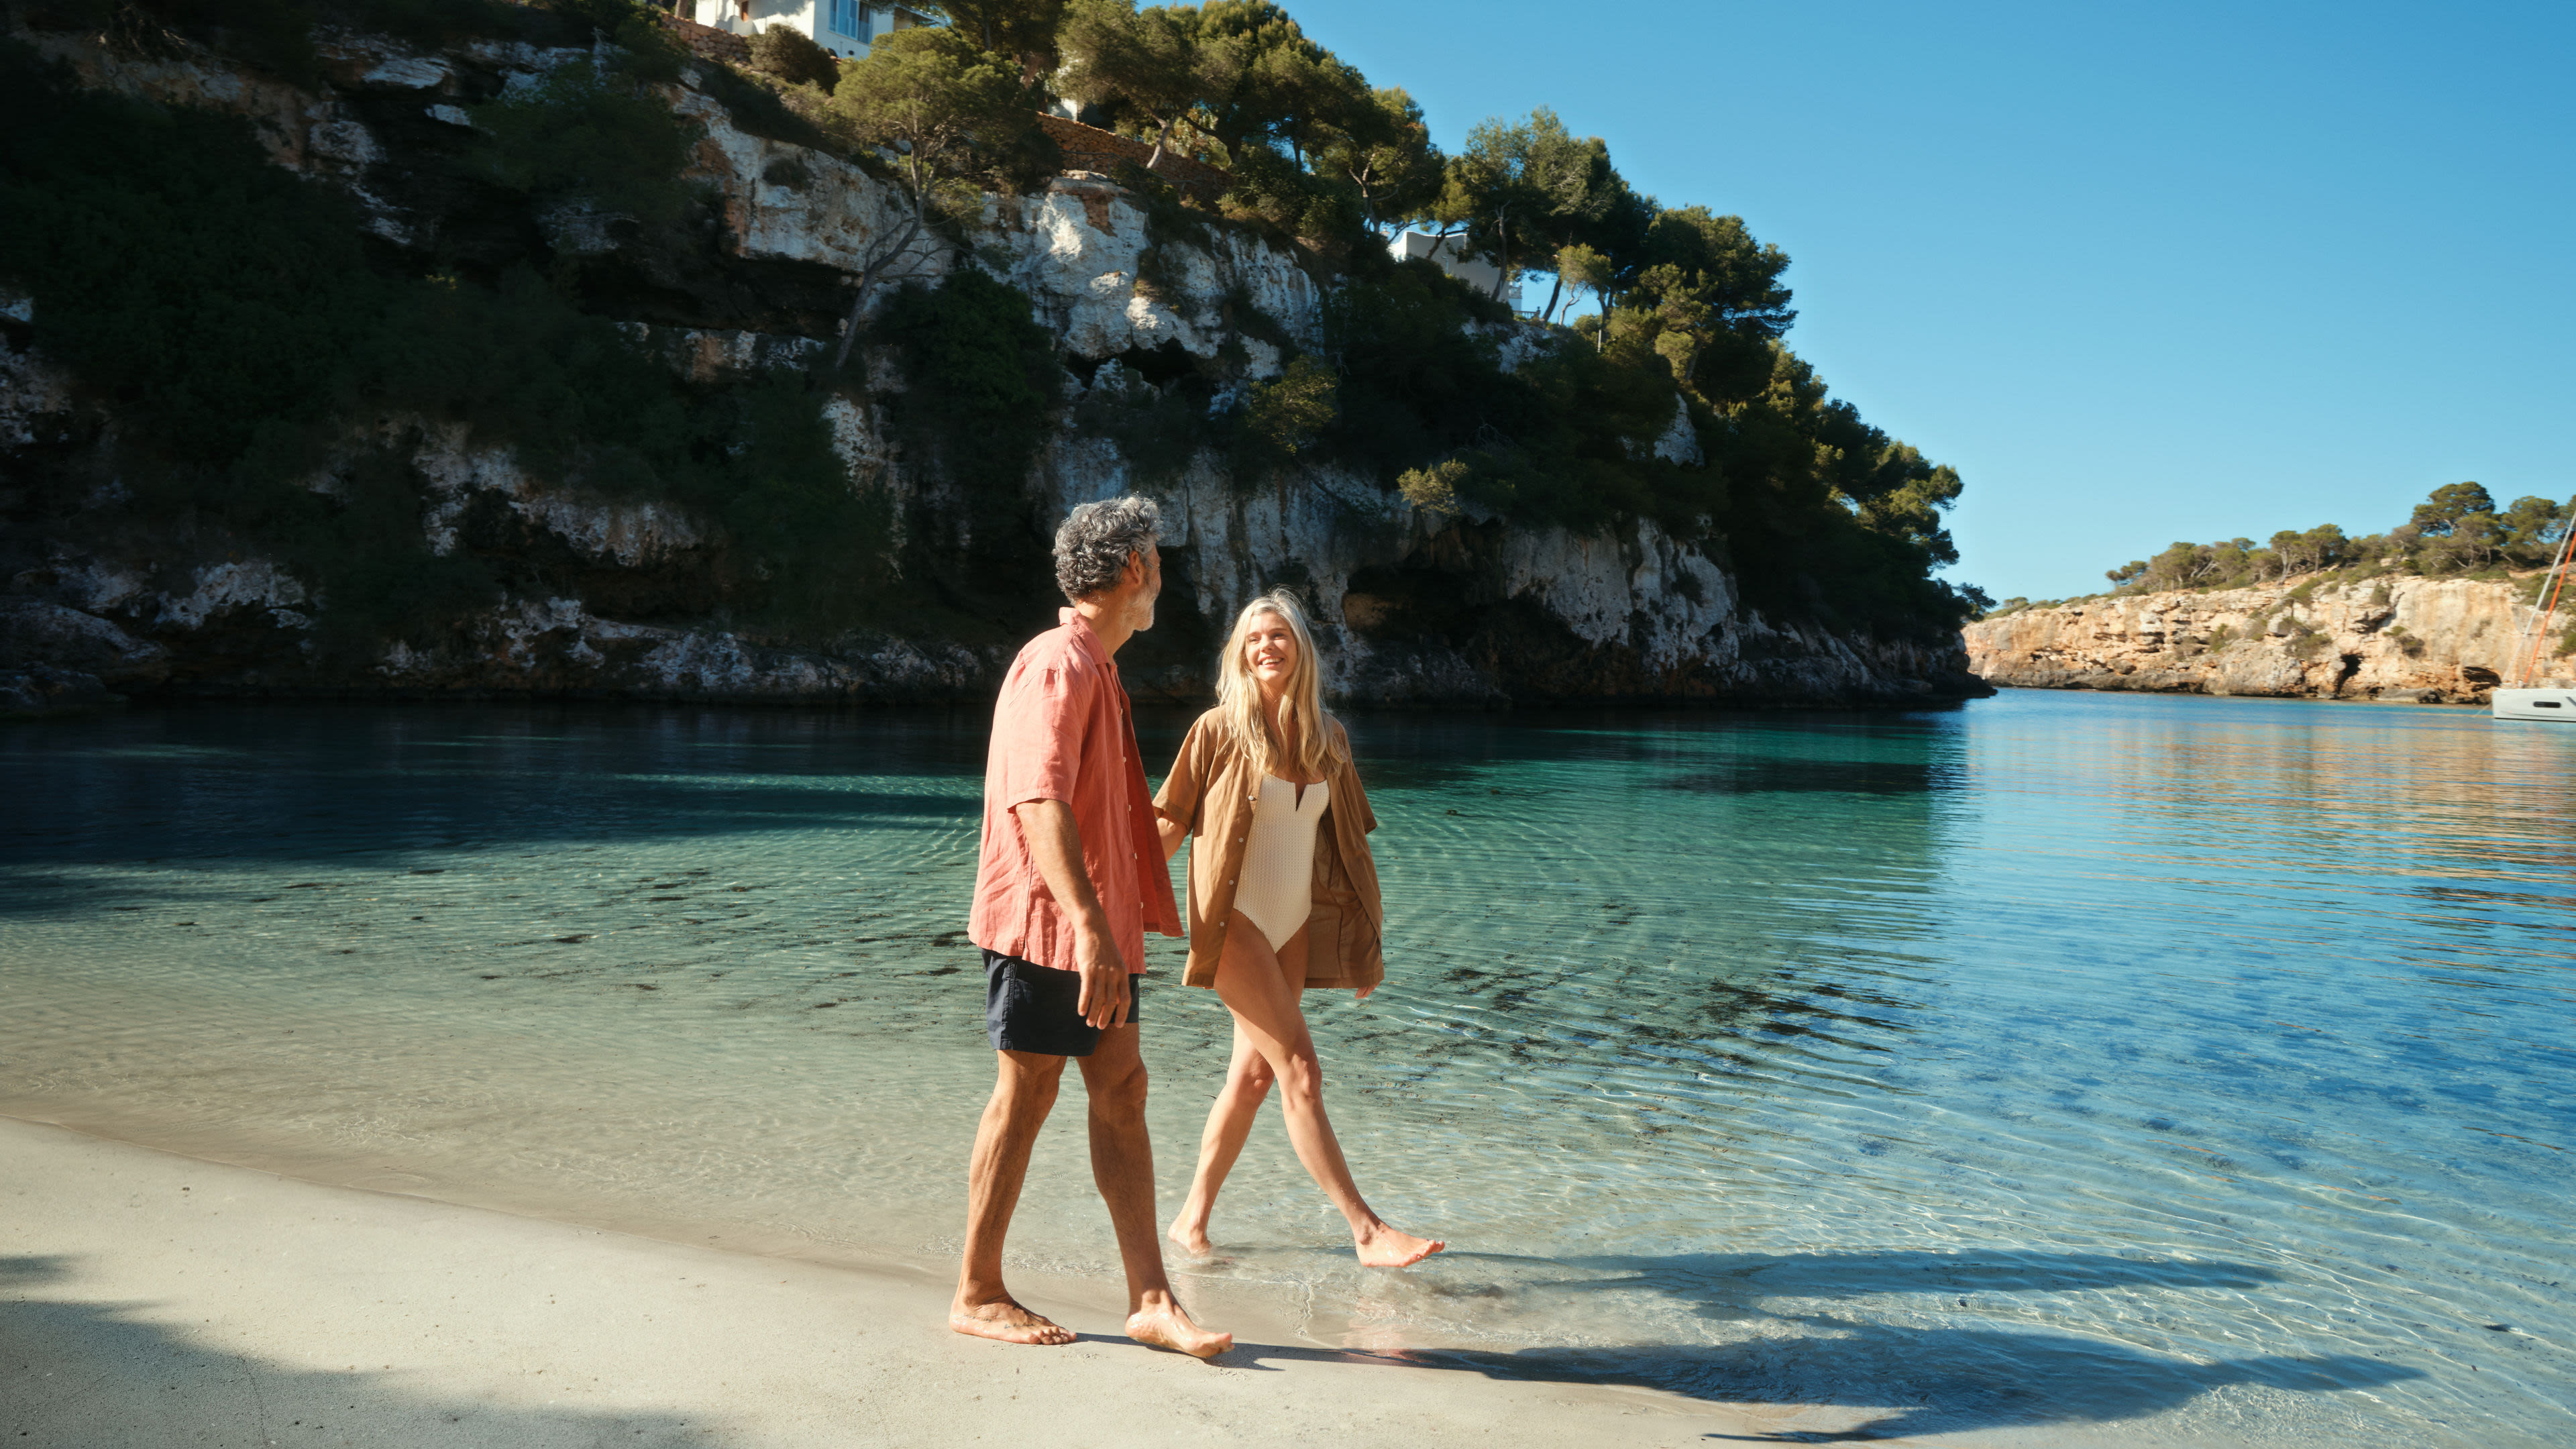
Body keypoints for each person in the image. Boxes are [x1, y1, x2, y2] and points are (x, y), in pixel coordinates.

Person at [950, 495, 1231, 1358]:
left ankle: (1151, 1299)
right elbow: (1039, 800)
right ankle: (978, 1290)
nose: (1163, 579)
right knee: (1028, 1091)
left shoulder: (1095, 666)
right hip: (1050, 925)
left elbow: (1104, 811)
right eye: (1159, 561)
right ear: (1135, 571)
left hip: (1092, 927)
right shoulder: (1059, 663)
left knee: (1122, 1087)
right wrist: (1089, 929)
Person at [1155, 590, 1446, 1268]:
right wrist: (1102, 896)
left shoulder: (1329, 738)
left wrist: (1363, 953)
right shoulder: (1217, 730)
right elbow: (1169, 822)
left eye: (1279, 635)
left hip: (1290, 924)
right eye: (1254, 638)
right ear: (1239, 653)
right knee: (1301, 1072)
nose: (1266, 647)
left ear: (1301, 649)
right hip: (1233, 922)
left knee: (1252, 1079)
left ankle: (1190, 1221)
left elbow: (1351, 851)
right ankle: (1367, 1232)